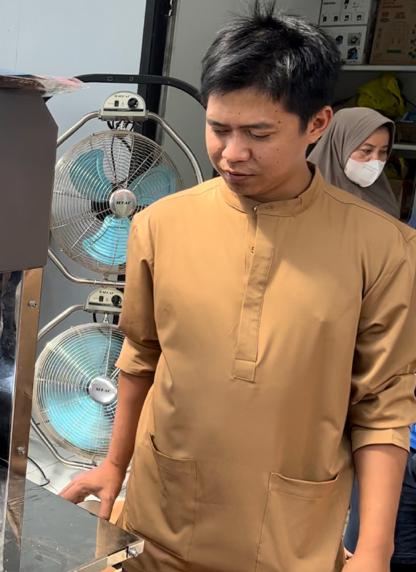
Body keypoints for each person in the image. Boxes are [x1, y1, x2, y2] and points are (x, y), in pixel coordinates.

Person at [60, 6, 416, 571]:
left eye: (258, 133)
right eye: (219, 128)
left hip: (290, 540)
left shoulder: (384, 247)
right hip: (162, 523)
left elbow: (382, 406)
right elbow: (140, 356)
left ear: (317, 124)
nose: (231, 153)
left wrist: (375, 548)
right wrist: (113, 465)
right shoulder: (160, 224)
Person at [311, 108, 416, 569]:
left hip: (373, 365)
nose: (374, 162)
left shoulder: (385, 209)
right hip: (317, 367)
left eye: (382, 153)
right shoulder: (303, 208)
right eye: (364, 150)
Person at [309, 107, 400, 218]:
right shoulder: (305, 196)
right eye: (366, 150)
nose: (376, 160)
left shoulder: (381, 194)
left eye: (383, 151)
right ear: (340, 146)